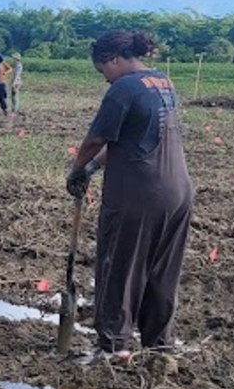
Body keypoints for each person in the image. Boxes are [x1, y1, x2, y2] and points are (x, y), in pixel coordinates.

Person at [67, 30, 192, 361]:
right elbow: (125, 139)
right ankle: (159, 345)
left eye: (102, 72)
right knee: (161, 272)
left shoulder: (123, 89)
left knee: (119, 268)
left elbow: (96, 139)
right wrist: (93, 168)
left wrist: (78, 169)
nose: (105, 80)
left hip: (139, 195)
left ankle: (114, 347)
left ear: (113, 60)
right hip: (178, 193)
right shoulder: (162, 82)